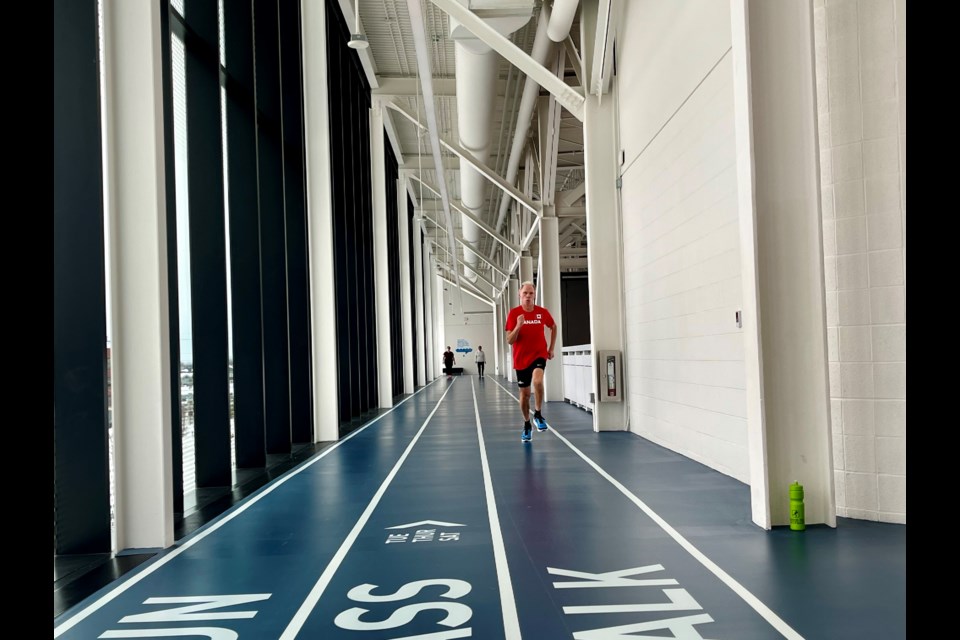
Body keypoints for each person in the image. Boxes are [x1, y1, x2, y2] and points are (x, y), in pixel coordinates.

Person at [505, 280, 557, 442]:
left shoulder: (542, 312)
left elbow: (553, 326)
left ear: (534, 295)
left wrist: (551, 348)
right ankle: (527, 423)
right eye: (525, 293)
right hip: (521, 359)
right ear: (519, 294)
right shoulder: (514, 314)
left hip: (539, 354)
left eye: (531, 293)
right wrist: (519, 325)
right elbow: (509, 340)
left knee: (538, 381)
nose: (528, 296)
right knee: (525, 395)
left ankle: (539, 414)